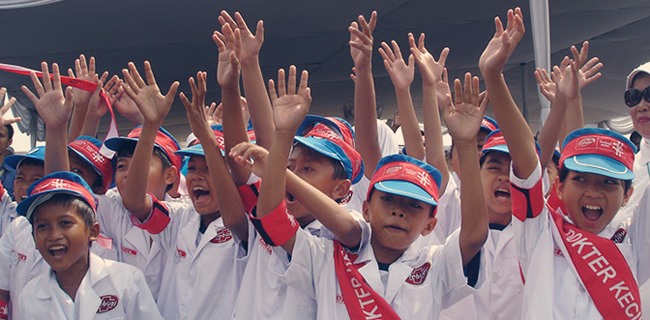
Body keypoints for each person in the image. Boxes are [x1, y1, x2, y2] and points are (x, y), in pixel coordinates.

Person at [246, 46, 488, 317]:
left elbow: (475, 235)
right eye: (388, 199)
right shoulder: (327, 256)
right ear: (365, 209)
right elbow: (272, 217)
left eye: (414, 205)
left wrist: (466, 145)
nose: (398, 211)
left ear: (430, 224)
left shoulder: (435, 265)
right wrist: (283, 135)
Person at [480, 7, 647, 319]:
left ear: (628, 195)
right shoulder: (541, 232)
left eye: (609, 182)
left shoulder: (634, 239)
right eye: (581, 180)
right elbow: (529, 161)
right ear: (557, 184)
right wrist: (493, 77)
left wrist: (571, 102)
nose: (593, 192)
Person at [15, 171, 161, 319]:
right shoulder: (30, 296)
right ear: (33, 238)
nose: (54, 235)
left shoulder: (125, 280)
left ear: (93, 231)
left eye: (65, 223)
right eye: (42, 226)